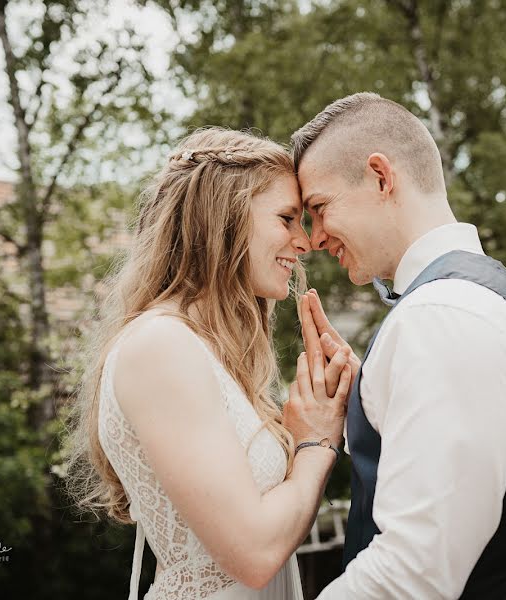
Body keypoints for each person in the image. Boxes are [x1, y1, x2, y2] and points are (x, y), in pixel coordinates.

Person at [291, 93, 506, 599]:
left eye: (319, 208)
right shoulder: (457, 302)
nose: (314, 238)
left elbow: (414, 570)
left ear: (380, 177)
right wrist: (365, 399)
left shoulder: (444, 316)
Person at [64, 127, 353, 600]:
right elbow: (255, 554)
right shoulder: (160, 347)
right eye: (286, 219)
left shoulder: (202, 349)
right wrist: (317, 442)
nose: (305, 243)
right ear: (223, 218)